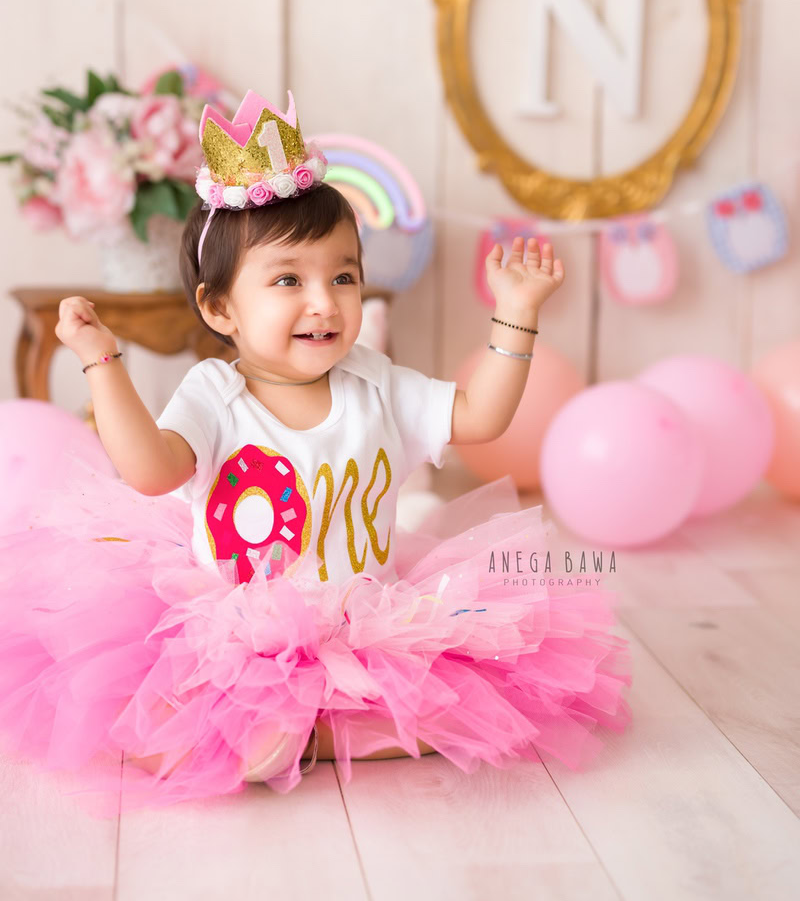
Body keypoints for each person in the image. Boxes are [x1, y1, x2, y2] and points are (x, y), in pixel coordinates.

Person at [0, 88, 632, 819]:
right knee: (166, 705)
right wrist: (101, 362)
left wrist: (514, 315)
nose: (325, 302)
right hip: (236, 628)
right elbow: (150, 471)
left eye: (343, 276)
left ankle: (313, 737)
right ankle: (237, 732)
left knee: (447, 706)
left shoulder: (376, 383)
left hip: (364, 619)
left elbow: (480, 417)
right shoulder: (215, 395)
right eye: (288, 280)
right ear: (219, 308)